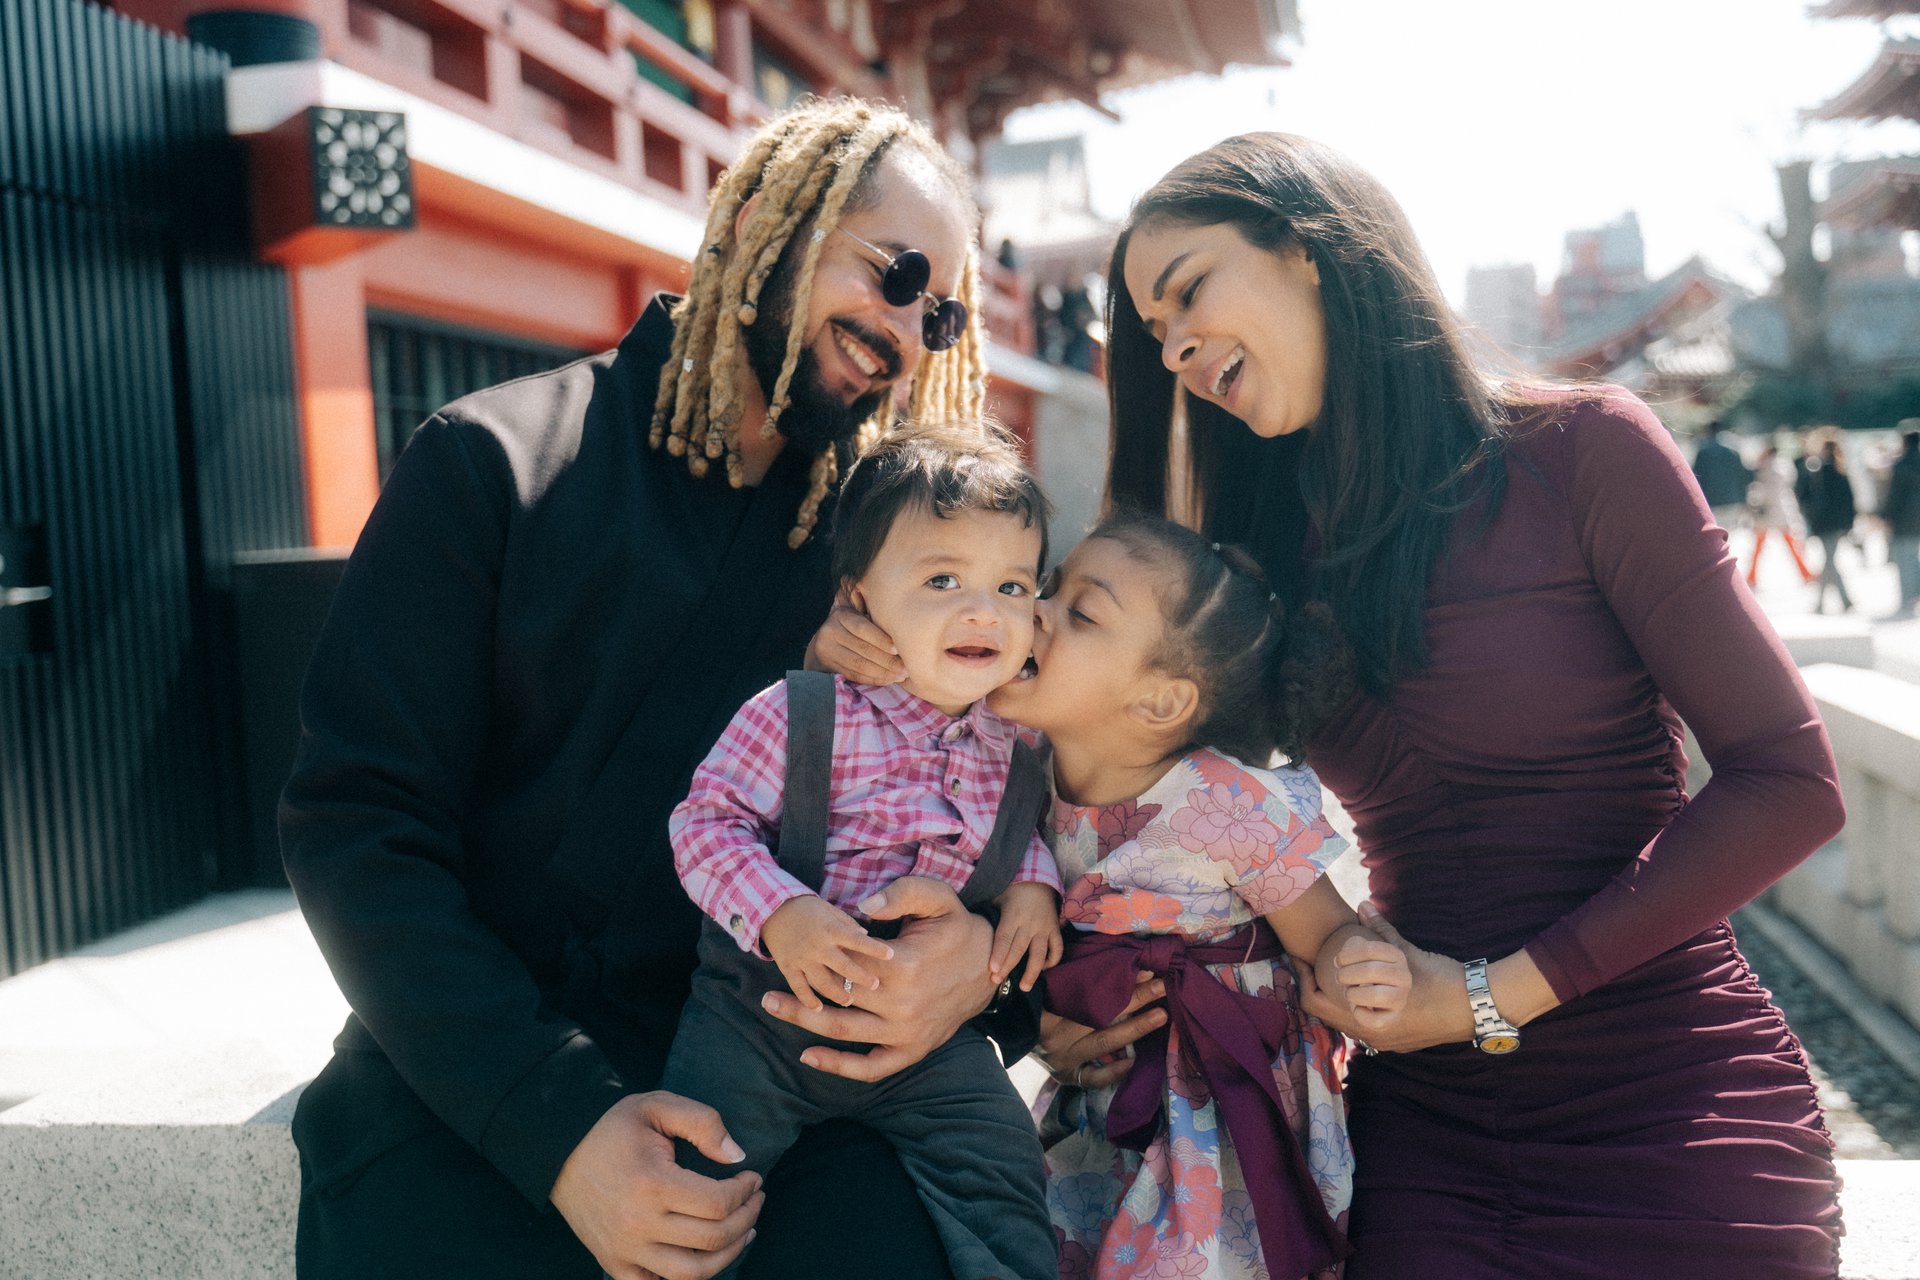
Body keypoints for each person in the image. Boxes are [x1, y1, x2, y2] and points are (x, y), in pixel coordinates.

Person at [279, 97, 1028, 1280]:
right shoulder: (491, 461)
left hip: (782, 1088)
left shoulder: (890, 568)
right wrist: (561, 1126)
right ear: (763, 222)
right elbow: (356, 825)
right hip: (478, 1089)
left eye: (935, 313)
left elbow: (1023, 797)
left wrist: (976, 973)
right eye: (892, 274)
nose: (904, 330)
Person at [1073, 132, 1845, 1277]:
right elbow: (1163, 802)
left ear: (1307, 248)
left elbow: (1790, 781)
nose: (1175, 346)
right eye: (1154, 332)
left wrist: (1489, 997)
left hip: (1670, 1088)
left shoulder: (1583, 451)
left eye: (1189, 291)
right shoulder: (1260, 561)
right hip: (1428, 1116)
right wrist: (1084, 991)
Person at [663, 422, 1061, 1280]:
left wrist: (1034, 889)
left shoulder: (1018, 745)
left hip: (929, 1042)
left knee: (1006, 1165)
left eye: (1012, 585)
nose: (982, 610)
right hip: (760, 1017)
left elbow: (1017, 835)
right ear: (858, 599)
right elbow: (704, 824)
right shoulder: (803, 712)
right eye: (942, 579)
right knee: (697, 1188)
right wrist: (782, 910)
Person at [987, 511, 1410, 1280]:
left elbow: (1326, 933)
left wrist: (1359, 964)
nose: (1036, 611)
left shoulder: (1222, 802)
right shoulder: (1015, 763)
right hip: (1106, 1093)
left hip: (1226, 1108)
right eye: (1048, 587)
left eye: (1081, 612)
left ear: (1159, 703)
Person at [1795, 429, 1858, 614]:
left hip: (1824, 523)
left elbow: (1807, 497)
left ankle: (1832, 602)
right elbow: (1850, 500)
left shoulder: (1819, 470)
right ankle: (1834, 602)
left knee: (1829, 562)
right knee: (1829, 561)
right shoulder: (1841, 469)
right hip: (1839, 523)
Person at [1748, 442, 1817, 589]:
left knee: (1759, 548)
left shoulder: (1765, 468)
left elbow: (1761, 491)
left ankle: (1751, 576)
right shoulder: (1784, 465)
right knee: (1791, 545)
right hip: (1782, 510)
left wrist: (1754, 505)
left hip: (1768, 512)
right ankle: (1806, 574)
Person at [1882, 428, 1920, 619]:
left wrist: (1887, 516)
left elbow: (1895, 496)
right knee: (1914, 559)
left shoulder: (1901, 465)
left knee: (1905, 560)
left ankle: (1908, 599)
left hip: (1905, 519)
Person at [1689, 418, 1752, 531]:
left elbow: (1696, 477)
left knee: (1716, 533)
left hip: (1711, 500)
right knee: (1729, 532)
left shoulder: (1703, 451)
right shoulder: (1732, 450)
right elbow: (1743, 476)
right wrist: (1744, 499)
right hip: (1731, 499)